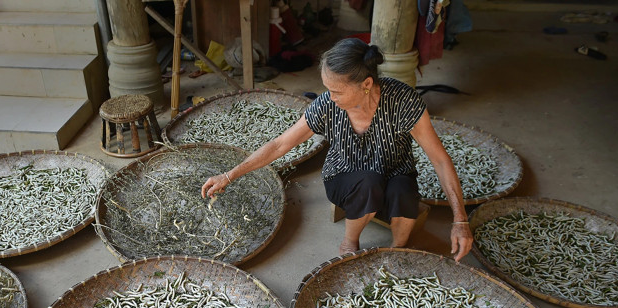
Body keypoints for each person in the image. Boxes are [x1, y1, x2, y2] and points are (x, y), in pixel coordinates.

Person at [201, 38, 473, 262]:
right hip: (344, 176)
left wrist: (460, 220)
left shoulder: (403, 101)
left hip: (395, 170)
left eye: (338, 91)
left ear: (367, 85)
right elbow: (280, 144)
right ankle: (349, 241)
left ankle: (398, 249)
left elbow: (440, 159)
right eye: (327, 89)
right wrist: (229, 175)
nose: (330, 97)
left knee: (404, 192)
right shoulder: (328, 105)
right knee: (369, 182)